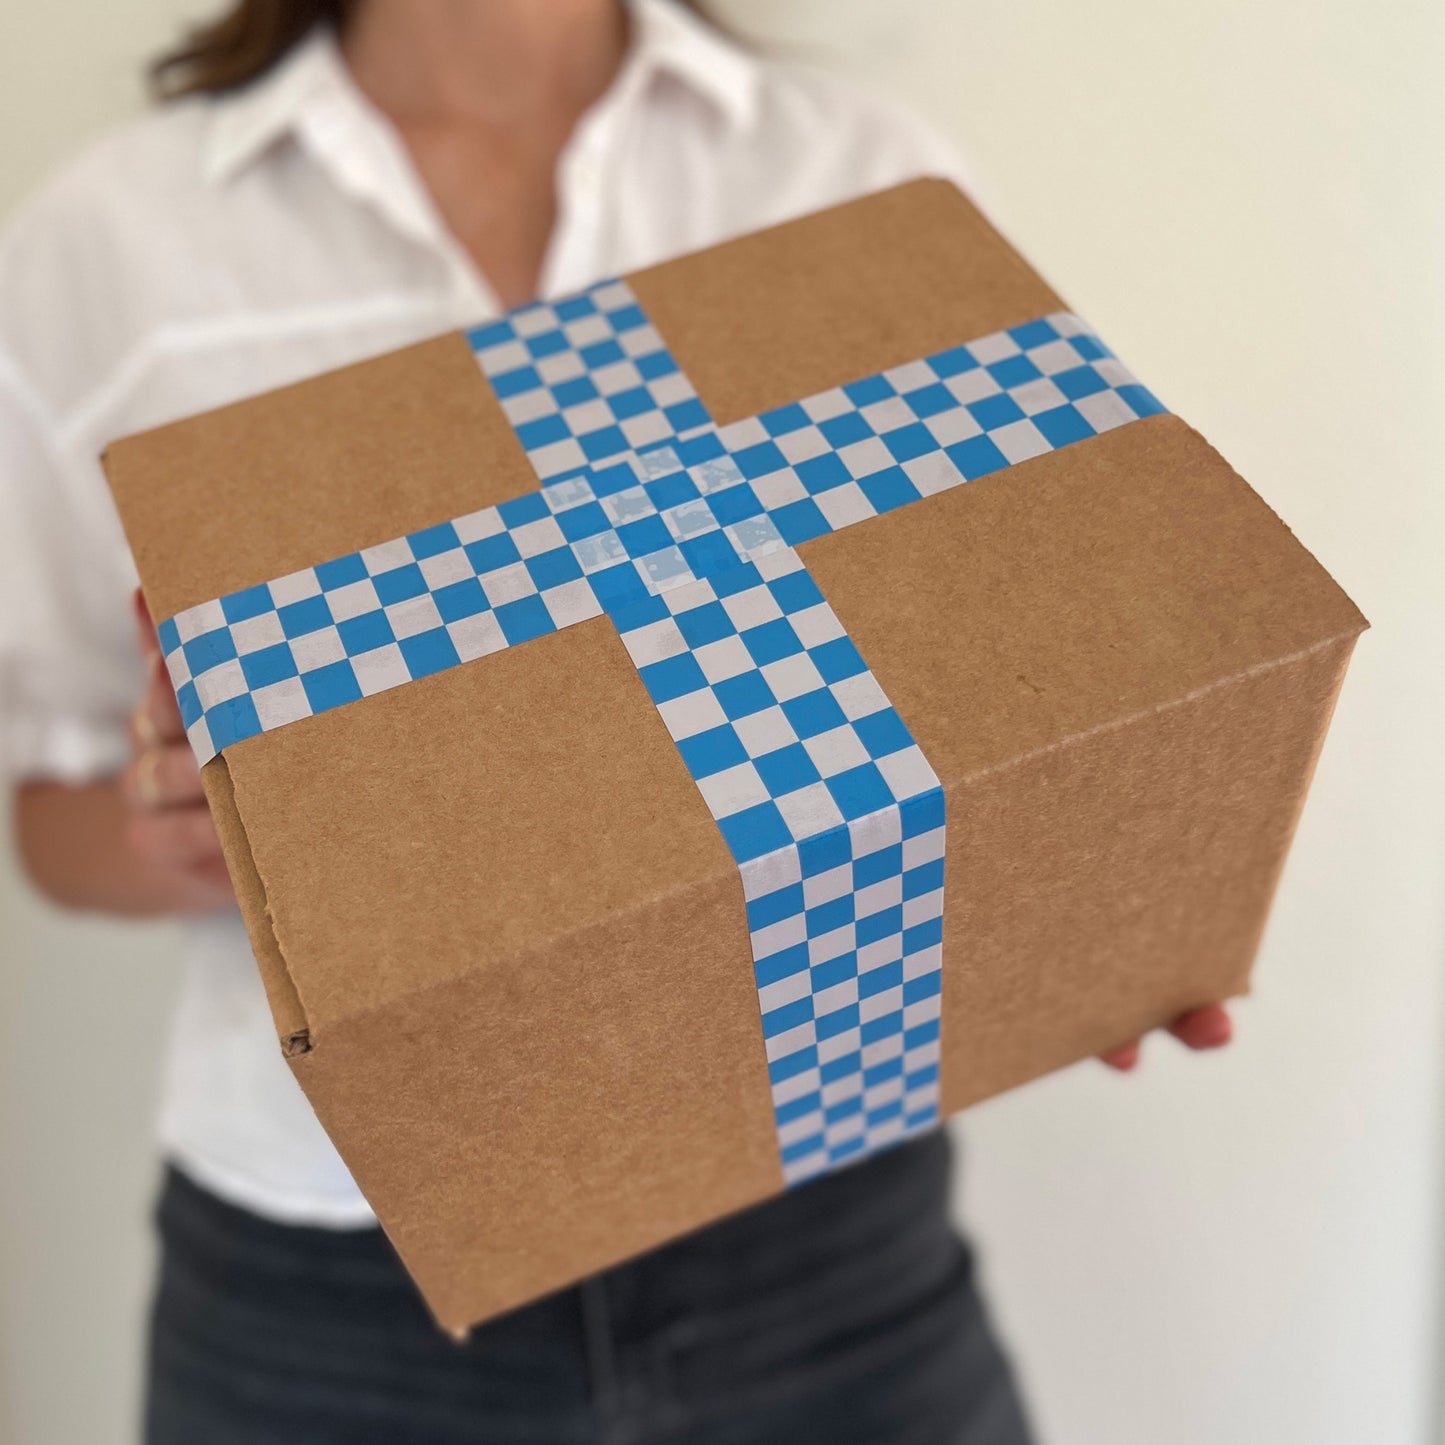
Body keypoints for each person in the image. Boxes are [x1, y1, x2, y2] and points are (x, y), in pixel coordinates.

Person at [1, 1, 1234, 1440]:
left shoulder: (852, 174)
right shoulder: (111, 239)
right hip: (336, 1285)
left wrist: (1088, 910)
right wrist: (184, 836)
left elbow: (1009, 674)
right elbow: (48, 803)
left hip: (825, 1235)